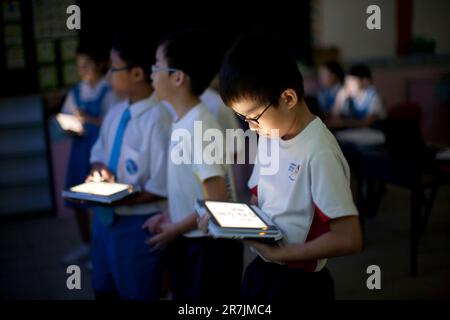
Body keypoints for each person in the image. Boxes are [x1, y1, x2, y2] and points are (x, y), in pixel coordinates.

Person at [217, 34, 363, 301]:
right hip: (263, 269)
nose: (251, 127)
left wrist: (279, 253)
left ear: (288, 98)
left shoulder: (319, 152)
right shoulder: (270, 134)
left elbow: (349, 238)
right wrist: (225, 219)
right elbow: (259, 198)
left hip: (299, 283)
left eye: (254, 117)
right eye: (242, 118)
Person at [144, 29, 243, 301]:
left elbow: (217, 201)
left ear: (178, 77)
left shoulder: (199, 126)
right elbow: (190, 189)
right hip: (192, 240)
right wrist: (170, 215)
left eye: (157, 66)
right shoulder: (182, 120)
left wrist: (173, 230)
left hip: (209, 249)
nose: (151, 72)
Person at [87, 32, 172, 300]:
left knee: (139, 292)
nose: (108, 73)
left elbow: (161, 187)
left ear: (137, 73)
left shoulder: (160, 120)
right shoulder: (115, 113)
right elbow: (99, 153)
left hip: (139, 225)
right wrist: (99, 170)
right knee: (104, 289)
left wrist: (117, 199)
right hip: (104, 223)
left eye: (114, 68)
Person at [61, 39, 118, 266]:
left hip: (101, 151)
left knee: (98, 200)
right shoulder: (76, 90)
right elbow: (67, 116)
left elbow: (113, 121)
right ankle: (86, 244)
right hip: (80, 149)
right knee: (76, 196)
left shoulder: (110, 89)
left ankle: (99, 248)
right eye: (79, 66)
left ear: (100, 64)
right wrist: (69, 125)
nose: (82, 70)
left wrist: (90, 119)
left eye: (87, 65)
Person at [328, 64, 385, 128]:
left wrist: (344, 123)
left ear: (365, 81)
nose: (348, 87)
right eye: (346, 83)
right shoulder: (350, 98)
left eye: (351, 83)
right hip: (358, 132)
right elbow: (335, 119)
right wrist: (339, 99)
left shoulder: (374, 96)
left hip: (376, 132)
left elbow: (367, 122)